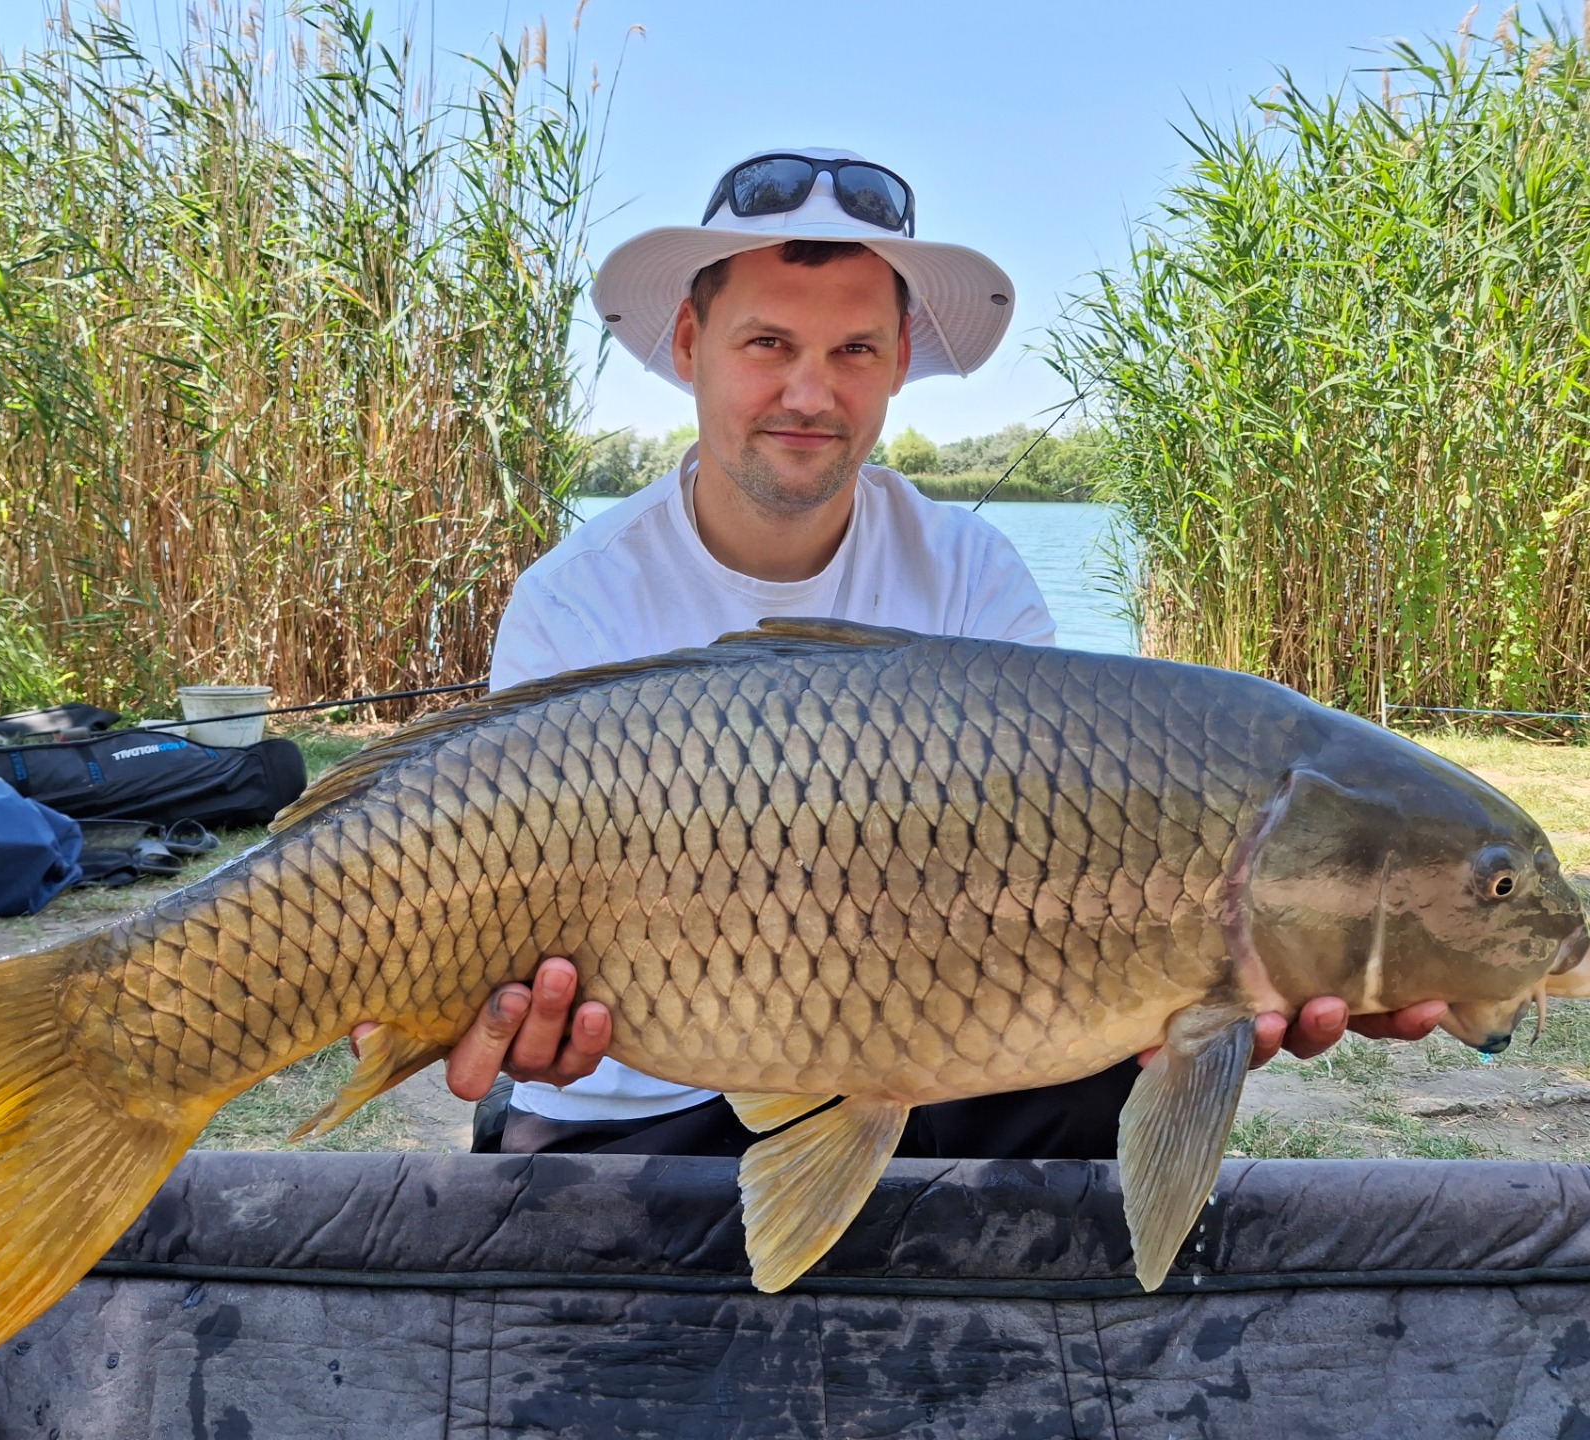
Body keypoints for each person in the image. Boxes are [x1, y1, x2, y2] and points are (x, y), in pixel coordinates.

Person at [359, 147, 1447, 1156]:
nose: (809, 392)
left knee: (1088, 1074)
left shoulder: (973, 575)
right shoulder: (576, 600)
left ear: (898, 363)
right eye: (768, 344)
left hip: (922, 1077)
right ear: (692, 348)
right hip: (633, 1097)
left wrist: (1218, 979)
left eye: (853, 351)